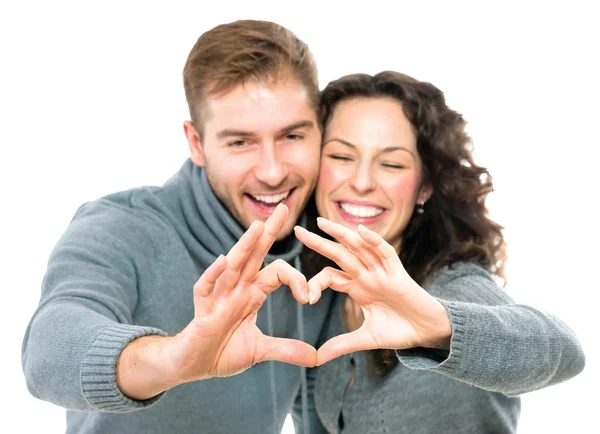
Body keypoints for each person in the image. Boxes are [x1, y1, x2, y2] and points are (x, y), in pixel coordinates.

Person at [21, 20, 333, 434]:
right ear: (196, 143)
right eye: (240, 142)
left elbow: (317, 408)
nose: (273, 172)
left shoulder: (320, 240)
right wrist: (174, 358)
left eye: (291, 135)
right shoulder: (120, 225)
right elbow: (48, 349)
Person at [294, 71, 586, 433]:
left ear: (424, 188)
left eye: (392, 164)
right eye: (341, 156)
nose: (362, 181)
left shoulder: (451, 285)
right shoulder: (323, 293)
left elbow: (565, 352)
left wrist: (437, 326)